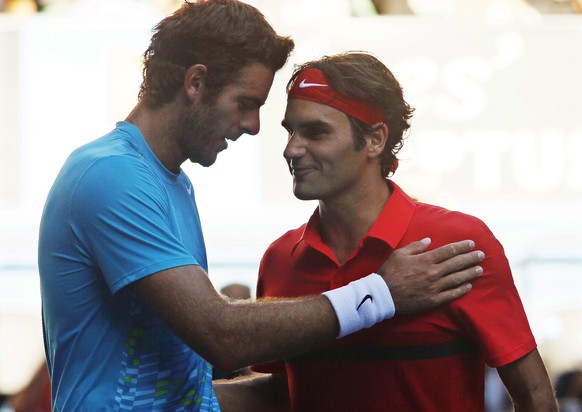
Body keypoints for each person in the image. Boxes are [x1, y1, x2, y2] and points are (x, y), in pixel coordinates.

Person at [37, 1, 485, 410]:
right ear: (196, 82)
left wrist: (369, 373)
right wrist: (380, 295)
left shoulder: (169, 183)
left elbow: (181, 395)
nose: (252, 127)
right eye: (245, 104)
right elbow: (221, 335)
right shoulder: (111, 175)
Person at [214, 52, 558, 411]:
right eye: (290, 131)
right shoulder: (280, 259)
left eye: (316, 132)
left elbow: (534, 396)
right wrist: (166, 397)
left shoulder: (459, 241)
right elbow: (283, 395)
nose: (291, 149)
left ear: (376, 139)